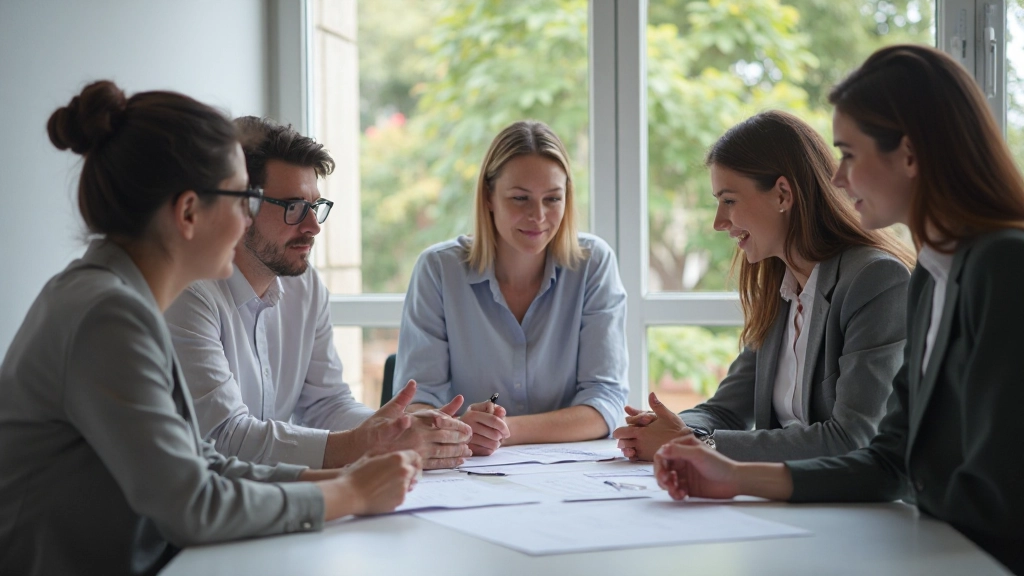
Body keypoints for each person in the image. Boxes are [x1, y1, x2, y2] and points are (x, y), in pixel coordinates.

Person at [0, 81, 421, 576]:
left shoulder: (118, 298)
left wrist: (347, 476)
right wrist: (348, 491)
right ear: (188, 212)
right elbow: (193, 507)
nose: (248, 221)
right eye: (244, 200)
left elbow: (201, 465)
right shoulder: (108, 315)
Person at [652, 45, 1024, 575]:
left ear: (911, 155)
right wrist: (730, 476)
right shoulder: (932, 278)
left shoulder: (1001, 265)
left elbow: (999, 492)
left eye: (848, 154)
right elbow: (887, 462)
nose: (840, 178)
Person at [165, 116, 472, 471]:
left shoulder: (305, 284)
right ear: (242, 205)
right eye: (294, 208)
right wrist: (365, 444)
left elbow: (327, 405)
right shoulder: (189, 292)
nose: (312, 227)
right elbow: (224, 438)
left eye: (315, 207)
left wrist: (399, 427)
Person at [613, 110, 914, 462]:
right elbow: (727, 411)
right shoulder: (781, 290)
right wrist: (666, 428)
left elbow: (853, 439)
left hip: (849, 506)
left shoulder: (874, 280)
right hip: (778, 498)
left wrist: (693, 446)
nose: (718, 222)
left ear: (783, 194)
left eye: (729, 200)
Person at [397, 120, 629, 454]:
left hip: (570, 470)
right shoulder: (438, 270)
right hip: (467, 473)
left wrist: (499, 431)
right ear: (489, 197)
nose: (538, 216)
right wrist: (459, 428)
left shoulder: (593, 263)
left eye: (553, 199)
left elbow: (605, 403)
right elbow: (416, 406)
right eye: (520, 198)